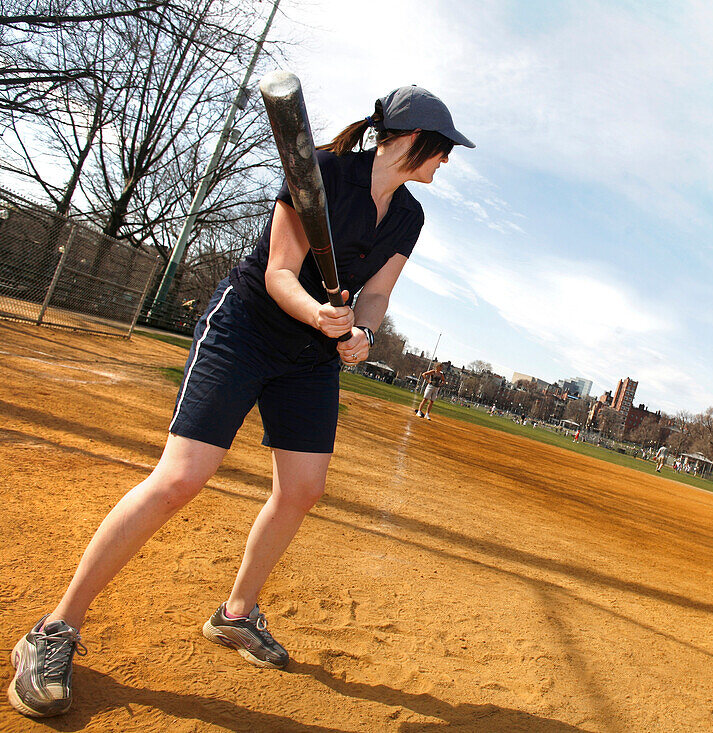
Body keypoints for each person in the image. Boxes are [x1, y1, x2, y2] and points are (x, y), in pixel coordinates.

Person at [6, 86, 473, 719]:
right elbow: (281, 271)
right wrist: (319, 314)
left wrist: (361, 333)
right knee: (182, 478)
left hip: (310, 358)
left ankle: (236, 614)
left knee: (303, 488)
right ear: (414, 139)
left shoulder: (408, 217)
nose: (446, 162)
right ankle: (53, 630)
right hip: (248, 328)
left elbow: (377, 293)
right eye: (443, 150)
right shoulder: (324, 174)